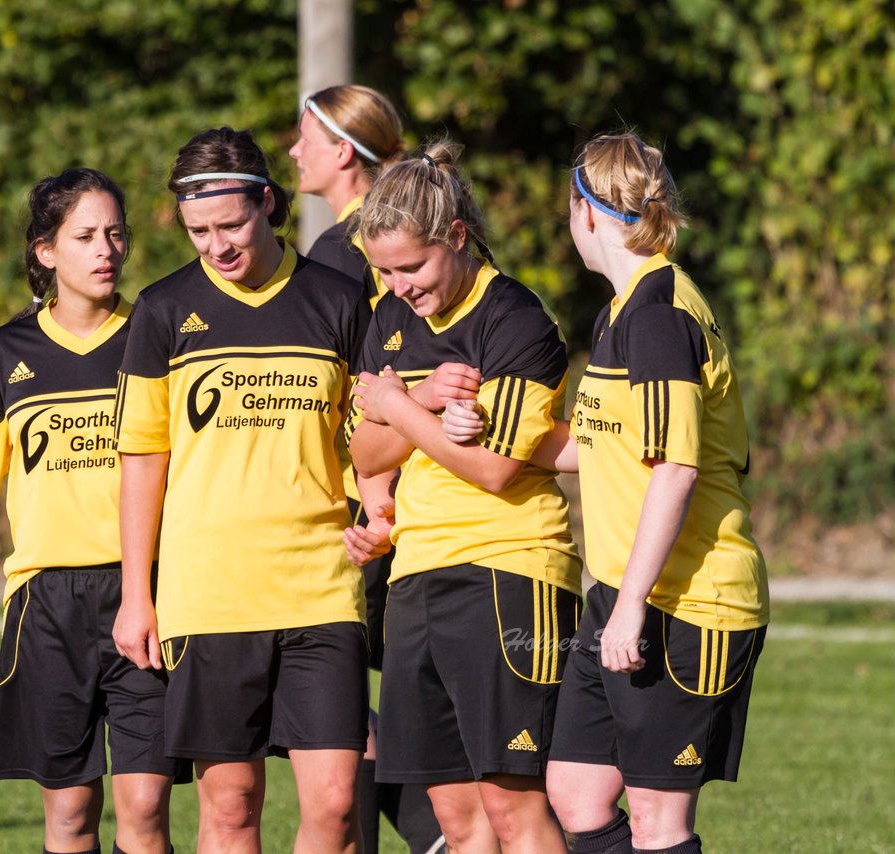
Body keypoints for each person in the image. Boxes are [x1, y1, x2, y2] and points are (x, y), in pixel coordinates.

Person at [450, 131, 768, 854]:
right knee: (576, 790)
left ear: (584, 211)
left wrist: (629, 609)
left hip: (686, 601)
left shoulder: (659, 313)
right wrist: (491, 432)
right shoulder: (623, 310)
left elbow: (676, 470)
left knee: (658, 820)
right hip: (622, 592)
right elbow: (600, 448)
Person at [0, 168, 183, 854]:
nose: (105, 250)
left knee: (146, 806)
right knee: (68, 815)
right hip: (47, 604)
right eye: (85, 236)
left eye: (116, 234)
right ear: (45, 251)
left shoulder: (156, 335)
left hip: (145, 593)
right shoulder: (6, 353)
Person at [113, 127, 370, 853]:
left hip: (322, 585)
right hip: (210, 591)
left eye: (230, 224)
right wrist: (138, 594)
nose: (216, 244)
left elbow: (372, 441)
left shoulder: (338, 300)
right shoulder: (162, 312)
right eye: (199, 231)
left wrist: (381, 513)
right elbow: (142, 458)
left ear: (266, 201)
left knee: (337, 804)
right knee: (230, 809)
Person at [346, 143, 581, 854]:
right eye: (383, 271)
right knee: (455, 820)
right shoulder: (387, 319)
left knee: (514, 809)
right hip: (416, 574)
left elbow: (493, 470)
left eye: (410, 267)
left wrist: (394, 404)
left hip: (510, 571)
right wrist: (415, 400)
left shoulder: (515, 320)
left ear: (455, 237)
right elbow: (362, 452)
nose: (398, 286)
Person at [290, 84, 455, 854]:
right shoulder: (405, 232)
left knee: (337, 706)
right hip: (397, 487)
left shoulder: (346, 250)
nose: (293, 152)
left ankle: (433, 829)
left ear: (343, 150)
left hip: (368, 498)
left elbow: (361, 390)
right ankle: (439, 829)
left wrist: (369, 497)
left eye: (304, 138)